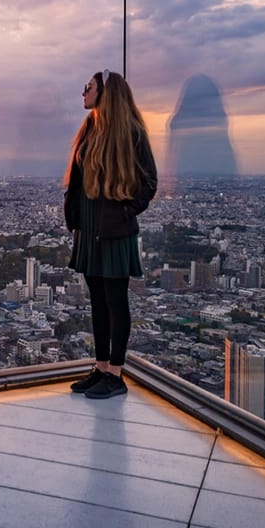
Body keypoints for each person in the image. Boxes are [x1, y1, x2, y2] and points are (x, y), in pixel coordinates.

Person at [63, 69, 157, 399]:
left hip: (114, 230)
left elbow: (149, 183)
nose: (83, 92)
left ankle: (116, 374)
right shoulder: (90, 129)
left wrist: (124, 212)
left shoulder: (131, 132)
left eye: (88, 87)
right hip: (89, 228)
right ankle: (101, 367)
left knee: (116, 301)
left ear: (106, 93)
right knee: (98, 302)